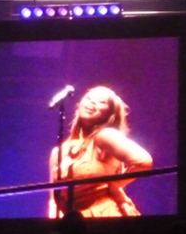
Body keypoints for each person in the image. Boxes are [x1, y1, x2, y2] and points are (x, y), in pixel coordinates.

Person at [48, 86, 153, 218]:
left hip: (103, 216)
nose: (92, 102)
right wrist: (54, 224)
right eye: (88, 98)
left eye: (101, 101)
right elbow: (54, 199)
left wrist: (115, 184)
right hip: (73, 221)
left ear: (109, 113)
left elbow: (142, 161)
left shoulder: (104, 136)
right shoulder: (58, 152)